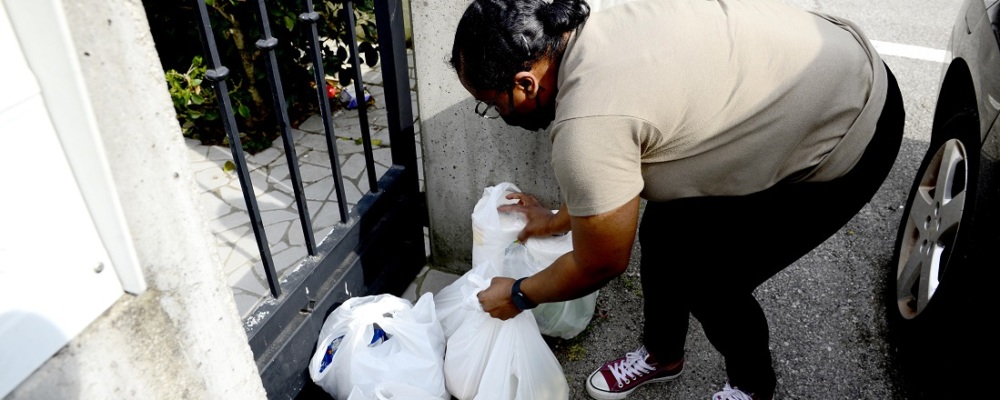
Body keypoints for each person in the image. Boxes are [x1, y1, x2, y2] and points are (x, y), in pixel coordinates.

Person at [453, 0, 904, 398]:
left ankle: (752, 386)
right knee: (665, 233)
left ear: (526, 83)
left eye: (493, 103)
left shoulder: (586, 124)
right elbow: (608, 168)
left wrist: (517, 294)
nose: (497, 114)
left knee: (714, 281)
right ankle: (662, 355)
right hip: (825, 64)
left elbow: (601, 261)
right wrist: (555, 221)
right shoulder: (595, 35)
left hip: (853, 123)